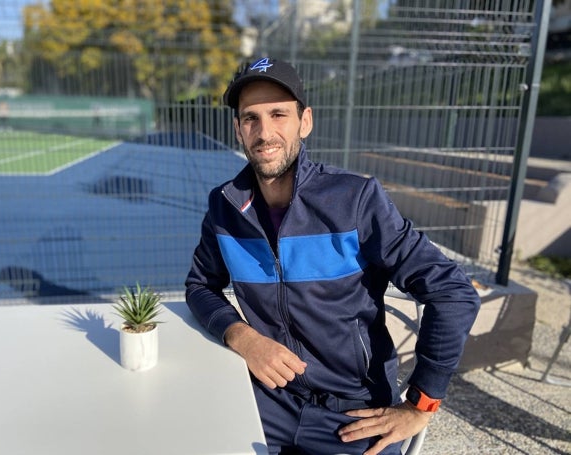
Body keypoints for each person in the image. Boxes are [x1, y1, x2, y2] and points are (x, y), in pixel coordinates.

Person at [185, 57, 481, 455]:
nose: (265, 132)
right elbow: (201, 286)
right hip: (265, 402)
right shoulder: (224, 207)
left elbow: (453, 292)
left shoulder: (355, 200)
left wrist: (420, 404)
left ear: (305, 121)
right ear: (238, 129)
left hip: (354, 415)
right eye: (251, 118)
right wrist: (244, 337)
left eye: (278, 115)